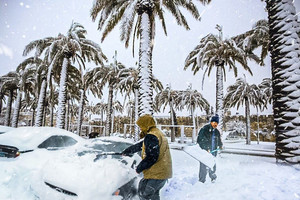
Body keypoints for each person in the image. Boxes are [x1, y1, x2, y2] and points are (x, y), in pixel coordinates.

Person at [122, 114, 172, 200]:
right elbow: (142, 145)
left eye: (141, 126)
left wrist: (139, 168)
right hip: (162, 173)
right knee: (153, 195)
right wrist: (128, 151)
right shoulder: (157, 133)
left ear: (146, 125)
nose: (140, 128)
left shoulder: (151, 136)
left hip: (156, 174)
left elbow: (152, 157)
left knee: (144, 194)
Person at [197, 114, 223, 183]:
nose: (215, 124)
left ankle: (213, 178)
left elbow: (219, 140)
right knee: (203, 166)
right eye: (214, 122)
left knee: (212, 165)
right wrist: (206, 148)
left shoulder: (216, 131)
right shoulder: (205, 129)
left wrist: (220, 145)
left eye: (216, 123)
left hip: (213, 152)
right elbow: (200, 140)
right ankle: (201, 181)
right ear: (211, 122)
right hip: (204, 152)